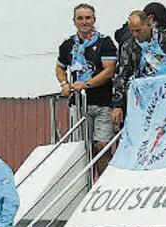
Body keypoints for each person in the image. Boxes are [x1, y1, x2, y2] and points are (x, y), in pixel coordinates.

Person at [56, 3, 118, 179]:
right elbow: (60, 68)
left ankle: (106, 185)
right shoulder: (67, 45)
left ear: (94, 20)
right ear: (74, 21)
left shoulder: (105, 42)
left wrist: (87, 84)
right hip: (78, 105)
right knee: (83, 149)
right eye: (80, 18)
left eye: (88, 18)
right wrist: (64, 83)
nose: (84, 22)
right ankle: (86, 189)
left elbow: (109, 71)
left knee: (102, 146)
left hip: (103, 103)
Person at [111, 10, 166, 126]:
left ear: (149, 24)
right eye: (132, 31)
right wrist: (118, 105)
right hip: (144, 100)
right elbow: (122, 75)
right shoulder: (128, 45)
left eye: (138, 30)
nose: (135, 34)